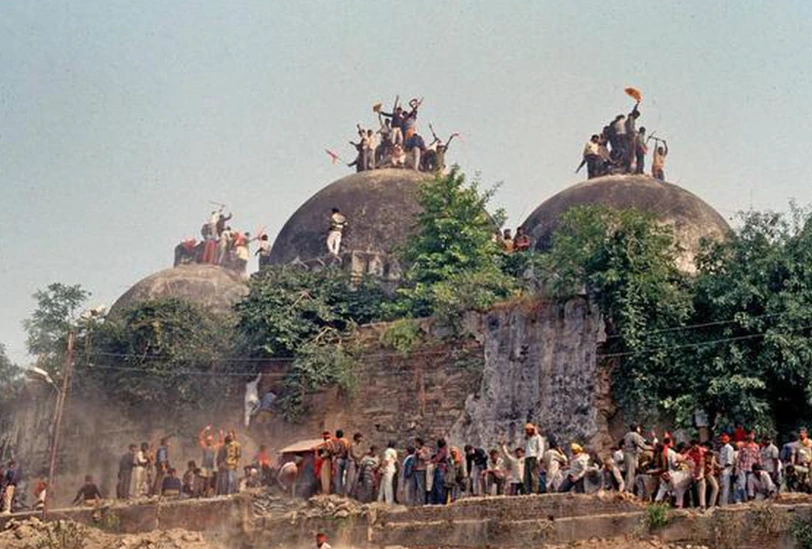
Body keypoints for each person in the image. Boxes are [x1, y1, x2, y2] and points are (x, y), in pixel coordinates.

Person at [622, 424, 650, 494]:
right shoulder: (635, 435)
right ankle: (628, 490)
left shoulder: (628, 434)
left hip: (627, 454)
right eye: (639, 428)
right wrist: (653, 448)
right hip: (631, 454)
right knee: (631, 472)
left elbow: (644, 440)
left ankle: (627, 488)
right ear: (637, 428)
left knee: (629, 472)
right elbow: (643, 446)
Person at [736, 431, 762, 503]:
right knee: (741, 484)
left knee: (750, 485)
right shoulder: (742, 446)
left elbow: (758, 458)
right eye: (749, 434)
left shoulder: (756, 446)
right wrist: (737, 468)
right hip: (743, 468)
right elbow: (739, 458)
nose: (750, 436)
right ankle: (738, 500)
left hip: (752, 469)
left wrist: (760, 468)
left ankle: (748, 500)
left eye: (752, 435)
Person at [199, 426, 221, 497]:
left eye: (210, 440)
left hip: (210, 466)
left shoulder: (214, 448)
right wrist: (205, 429)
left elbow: (221, 442)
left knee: (209, 480)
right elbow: (200, 438)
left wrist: (220, 434)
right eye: (208, 440)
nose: (209, 441)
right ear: (207, 441)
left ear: (212, 441)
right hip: (204, 465)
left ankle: (207, 493)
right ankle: (201, 493)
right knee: (203, 480)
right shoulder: (205, 447)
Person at [523, 423, 544, 494]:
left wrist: (539, 458)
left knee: (533, 474)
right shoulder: (528, 438)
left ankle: (534, 490)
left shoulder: (538, 437)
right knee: (527, 475)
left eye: (528, 430)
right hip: (527, 457)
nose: (527, 432)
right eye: (526, 430)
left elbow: (541, 448)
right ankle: (527, 491)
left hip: (533, 457)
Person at [718, 433, 735, 506]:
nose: (723, 440)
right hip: (721, 469)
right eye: (721, 439)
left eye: (724, 439)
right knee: (722, 486)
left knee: (725, 487)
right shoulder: (722, 448)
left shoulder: (729, 448)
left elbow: (729, 462)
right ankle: (724, 502)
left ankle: (724, 503)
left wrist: (722, 467)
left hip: (726, 470)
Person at [346, 433, 365, 498]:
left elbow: (359, 453)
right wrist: (361, 456)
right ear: (357, 438)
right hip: (352, 462)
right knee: (350, 479)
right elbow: (354, 454)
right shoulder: (353, 445)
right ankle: (347, 494)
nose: (361, 439)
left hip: (357, 462)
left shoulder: (359, 445)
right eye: (360, 437)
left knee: (355, 479)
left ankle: (352, 494)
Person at [702, 442, 720, 509]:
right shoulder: (705, 455)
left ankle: (710, 504)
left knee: (711, 488)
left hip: (709, 473)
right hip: (707, 474)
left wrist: (720, 467)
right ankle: (711, 504)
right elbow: (708, 465)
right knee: (715, 487)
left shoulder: (711, 455)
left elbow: (714, 463)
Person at [431, 439, 449, 504]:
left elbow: (438, 458)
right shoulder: (444, 450)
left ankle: (440, 502)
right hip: (440, 468)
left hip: (441, 468)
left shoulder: (442, 451)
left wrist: (431, 461)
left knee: (439, 486)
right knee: (437, 486)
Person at [412, 438, 430, 505]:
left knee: (421, 486)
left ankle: (422, 501)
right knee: (416, 486)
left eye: (416, 443)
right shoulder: (416, 450)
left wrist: (420, 453)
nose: (415, 444)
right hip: (416, 469)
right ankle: (417, 501)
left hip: (421, 469)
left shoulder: (425, 449)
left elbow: (427, 458)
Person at [333, 430, 350, 495]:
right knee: (344, 477)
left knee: (338, 477)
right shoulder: (346, 441)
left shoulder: (339, 441)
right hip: (346, 460)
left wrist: (334, 454)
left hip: (340, 459)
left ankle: (338, 492)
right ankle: (344, 492)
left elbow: (337, 450)